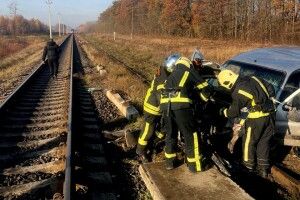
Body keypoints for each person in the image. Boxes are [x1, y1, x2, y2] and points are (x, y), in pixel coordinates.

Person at [217, 69, 276, 178]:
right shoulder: (252, 77)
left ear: (227, 83)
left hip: (256, 119)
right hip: (270, 116)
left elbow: (233, 112)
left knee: (249, 143)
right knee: (264, 143)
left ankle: (247, 169)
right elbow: (271, 88)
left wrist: (223, 112)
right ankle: (263, 170)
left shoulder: (238, 92)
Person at [160, 54, 211, 173]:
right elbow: (206, 88)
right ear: (188, 63)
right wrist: (204, 99)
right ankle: (195, 166)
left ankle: (170, 163)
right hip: (181, 107)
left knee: (170, 134)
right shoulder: (189, 71)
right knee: (191, 135)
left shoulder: (172, 74)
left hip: (165, 106)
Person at [136, 65, 168, 163]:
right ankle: (140, 151)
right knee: (148, 130)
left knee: (162, 128)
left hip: (159, 109)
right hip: (152, 108)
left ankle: (152, 144)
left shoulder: (163, 74)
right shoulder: (163, 78)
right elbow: (161, 94)